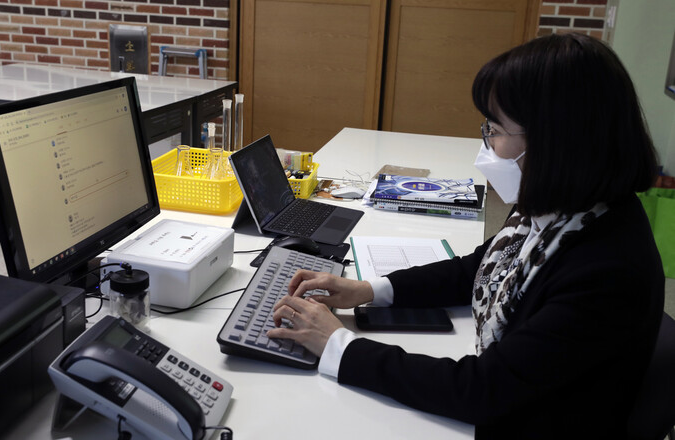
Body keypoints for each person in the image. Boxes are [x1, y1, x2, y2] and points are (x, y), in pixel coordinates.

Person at [266, 33, 665, 438]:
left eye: (495, 130)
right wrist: (367, 290)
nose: (486, 146)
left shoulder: (607, 268)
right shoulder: (566, 207)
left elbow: (482, 389)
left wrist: (338, 346)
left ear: (555, 142)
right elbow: (476, 268)